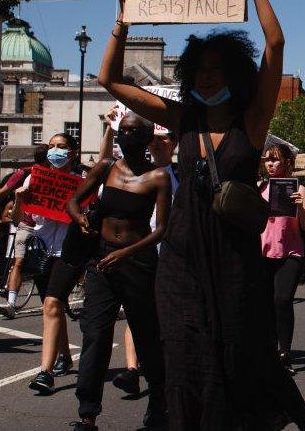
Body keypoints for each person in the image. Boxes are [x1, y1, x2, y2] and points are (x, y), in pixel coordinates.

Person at [99, 0, 305, 429]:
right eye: (202, 69)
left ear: (234, 75)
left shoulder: (252, 121)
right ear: (191, 73)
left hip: (235, 261)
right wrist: (122, 15)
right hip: (180, 260)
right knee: (185, 357)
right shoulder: (181, 118)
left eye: (219, 70)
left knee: (236, 359)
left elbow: (275, 44)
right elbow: (111, 78)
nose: (210, 77)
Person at [65, 112, 171, 430]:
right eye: (121, 131)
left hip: (138, 263)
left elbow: (161, 229)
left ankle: (158, 402)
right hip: (102, 262)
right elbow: (72, 201)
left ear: (147, 139)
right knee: (95, 334)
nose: (125, 137)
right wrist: (80, 218)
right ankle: (87, 412)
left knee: (146, 335)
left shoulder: (158, 177)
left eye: (133, 132)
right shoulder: (105, 168)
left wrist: (127, 252)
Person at [13, 133, 85, 393]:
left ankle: (45, 372)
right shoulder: (35, 178)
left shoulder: (82, 183)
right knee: (51, 307)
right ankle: (64, 355)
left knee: (53, 303)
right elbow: (19, 219)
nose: (55, 151)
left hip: (68, 252)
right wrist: (21, 197)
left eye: (62, 147)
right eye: (52, 146)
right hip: (42, 251)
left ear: (73, 152)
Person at [114, 127, 180, 396]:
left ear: (174, 143)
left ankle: (167, 371)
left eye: (164, 137)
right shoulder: (138, 172)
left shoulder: (181, 175)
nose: (156, 142)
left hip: (172, 253)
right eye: (153, 138)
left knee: (165, 316)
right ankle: (132, 369)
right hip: (141, 250)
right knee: (137, 310)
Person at [261, 142, 305, 372]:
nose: (271, 164)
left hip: (290, 252)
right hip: (263, 252)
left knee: (282, 301)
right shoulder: (259, 187)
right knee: (265, 305)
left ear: (287, 163)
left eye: (275, 160)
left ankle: (285, 352)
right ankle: (270, 352)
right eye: (267, 160)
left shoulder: (299, 189)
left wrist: (300, 207)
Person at [0, 144, 48, 319]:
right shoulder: (25, 173)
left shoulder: (57, 176)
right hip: (26, 224)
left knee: (48, 264)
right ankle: (11, 303)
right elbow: (2, 192)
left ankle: (53, 300)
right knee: (18, 262)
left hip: (48, 226)